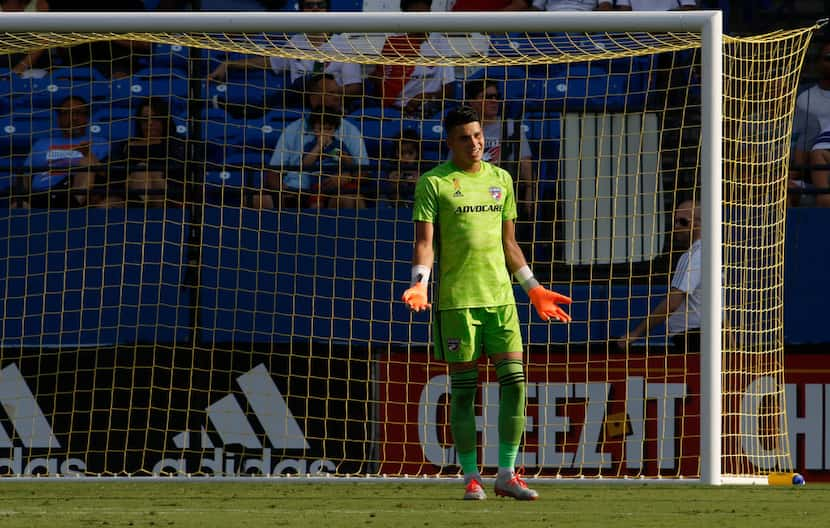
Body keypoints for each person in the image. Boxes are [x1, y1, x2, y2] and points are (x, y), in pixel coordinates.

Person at [401, 106, 572, 501]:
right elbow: (425, 243)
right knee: (464, 390)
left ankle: (507, 474)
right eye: (465, 137)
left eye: (478, 136)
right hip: (458, 302)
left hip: (501, 300)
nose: (475, 143)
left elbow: (508, 243)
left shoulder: (502, 180)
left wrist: (533, 289)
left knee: (515, 381)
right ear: (450, 142)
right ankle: (471, 475)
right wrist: (420, 284)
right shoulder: (434, 183)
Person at [208, 0, 363, 101]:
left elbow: (354, 86)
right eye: (310, 5)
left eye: (320, 5)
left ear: (328, 10)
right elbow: (269, 62)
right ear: (301, 11)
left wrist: (332, 91)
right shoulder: (295, 42)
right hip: (297, 100)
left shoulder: (343, 45)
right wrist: (228, 64)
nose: (315, 9)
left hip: (329, 104)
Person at [254, 73, 368, 209]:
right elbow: (273, 173)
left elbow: (364, 171)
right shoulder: (293, 129)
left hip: (335, 191)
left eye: (338, 93)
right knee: (258, 200)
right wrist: (283, 191)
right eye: (331, 93)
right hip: (295, 192)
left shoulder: (350, 130)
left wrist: (347, 177)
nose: (338, 97)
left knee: (346, 199)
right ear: (313, 98)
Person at [615, 198, 702, 354]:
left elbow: (672, 303)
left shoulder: (693, 256)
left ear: (699, 223)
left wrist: (635, 334)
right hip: (707, 338)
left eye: (682, 222)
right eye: (674, 221)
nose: (676, 227)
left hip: (693, 338)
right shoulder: (712, 254)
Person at [369, 0, 456, 118]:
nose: (420, 20)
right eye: (415, 15)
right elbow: (381, 88)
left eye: (424, 15)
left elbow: (449, 91)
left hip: (430, 112)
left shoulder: (441, 43)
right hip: (395, 111)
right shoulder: (393, 43)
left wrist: (424, 97)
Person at [23, 95, 109, 208]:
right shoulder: (41, 143)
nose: (73, 118)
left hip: (74, 195)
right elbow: (26, 175)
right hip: (41, 195)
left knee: (85, 161)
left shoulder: (100, 142)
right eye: (66, 113)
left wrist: (88, 154)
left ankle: (71, 209)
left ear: (87, 117)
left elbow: (106, 175)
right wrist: (22, 198)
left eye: (78, 112)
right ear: (58, 118)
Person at [105, 97, 186, 208]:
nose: (150, 123)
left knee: (152, 174)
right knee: (141, 171)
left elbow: (179, 173)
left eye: (156, 118)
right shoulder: (125, 145)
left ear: (165, 120)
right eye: (144, 119)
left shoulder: (177, 144)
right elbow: (115, 173)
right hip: (128, 190)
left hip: (165, 189)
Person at [379, 129, 422, 206]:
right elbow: (390, 195)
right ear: (396, 153)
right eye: (402, 153)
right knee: (382, 198)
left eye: (410, 153)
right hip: (395, 206)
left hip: (416, 206)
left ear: (417, 153)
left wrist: (419, 183)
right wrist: (393, 184)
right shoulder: (391, 169)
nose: (406, 157)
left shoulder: (423, 169)